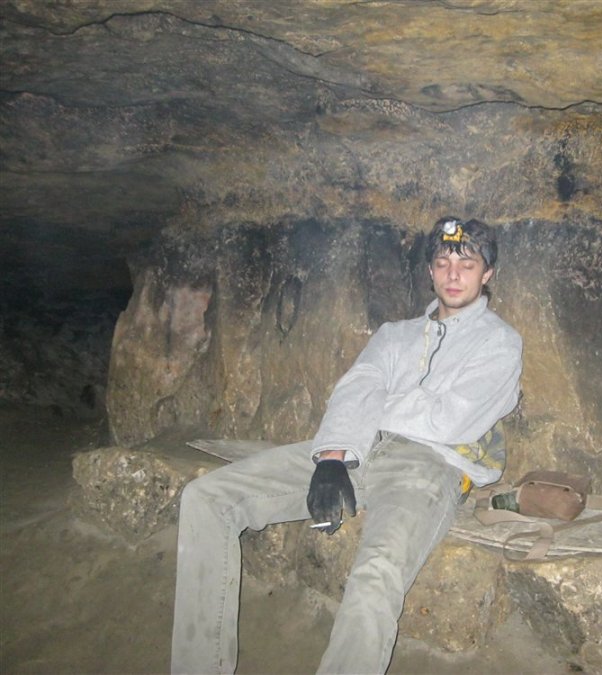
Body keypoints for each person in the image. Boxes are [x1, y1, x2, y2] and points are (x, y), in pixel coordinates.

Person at [171, 216, 523, 674]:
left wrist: (374, 403)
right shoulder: (395, 334)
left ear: (487, 273)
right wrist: (332, 458)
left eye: (467, 265)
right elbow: (357, 387)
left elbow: (449, 419)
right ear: (430, 271)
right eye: (443, 263)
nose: (453, 275)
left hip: (428, 466)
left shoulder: (500, 343)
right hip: (356, 447)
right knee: (208, 498)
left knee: (377, 573)